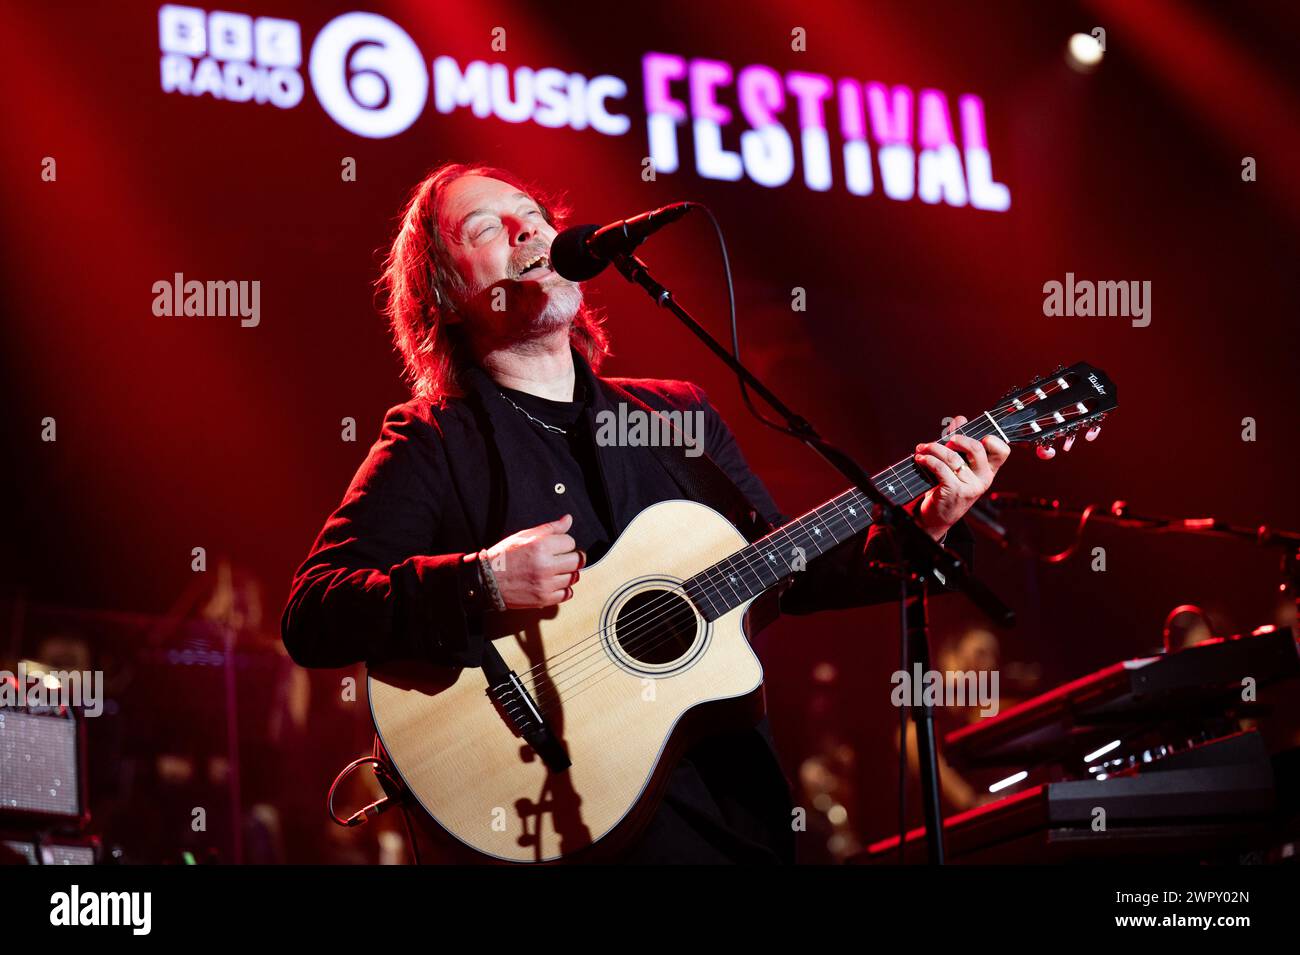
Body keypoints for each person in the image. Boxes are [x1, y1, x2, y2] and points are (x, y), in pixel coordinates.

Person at [280, 162, 1010, 863]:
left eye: (534, 218)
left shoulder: (676, 415)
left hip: (726, 820)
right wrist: (481, 582)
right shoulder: (432, 439)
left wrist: (930, 519)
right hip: (541, 822)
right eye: (487, 229)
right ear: (441, 294)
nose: (527, 231)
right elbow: (315, 611)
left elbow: (792, 573)